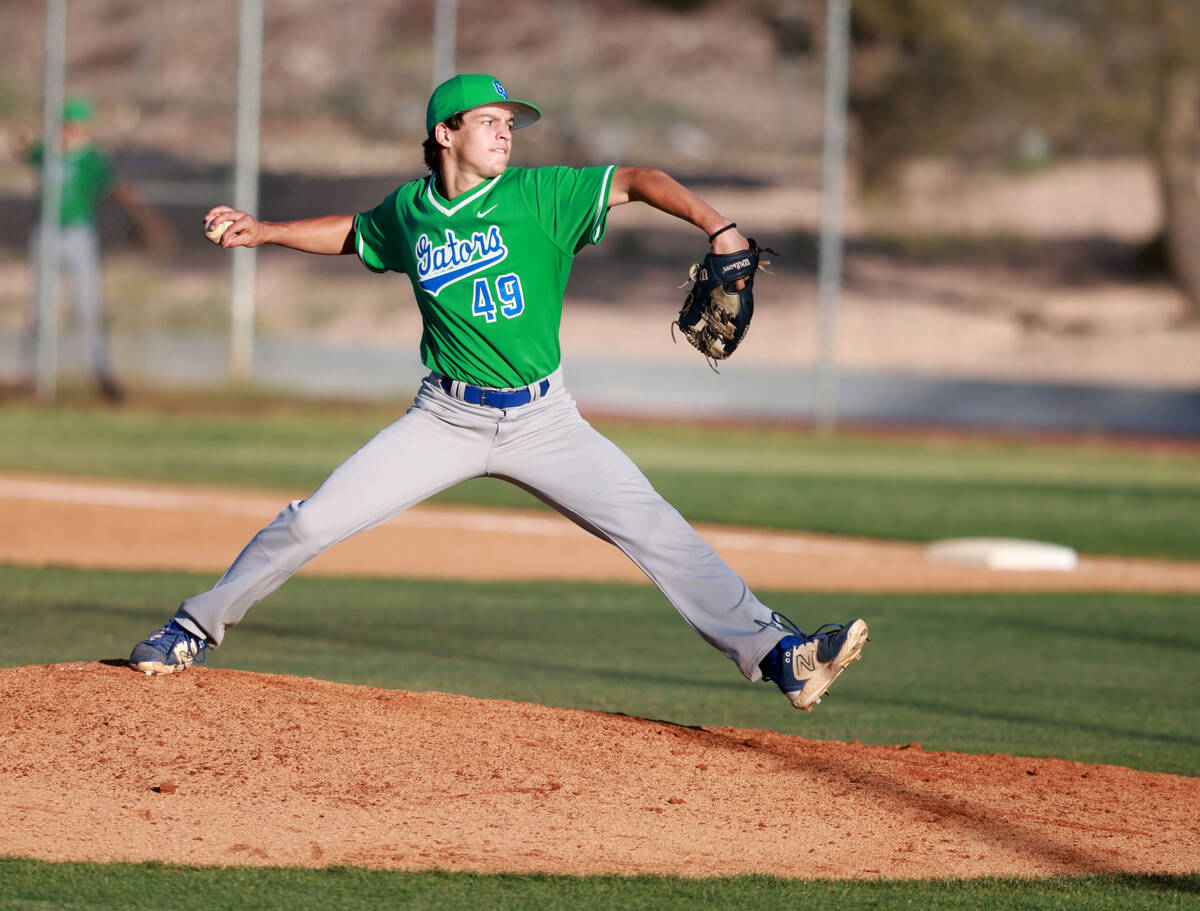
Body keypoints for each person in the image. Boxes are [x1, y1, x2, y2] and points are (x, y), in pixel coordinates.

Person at [128, 74, 868, 711]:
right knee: (312, 521)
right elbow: (355, 233)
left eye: (510, 124)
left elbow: (638, 180)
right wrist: (263, 231)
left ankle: (782, 657)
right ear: (444, 133)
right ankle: (192, 626)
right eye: (489, 122)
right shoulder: (412, 211)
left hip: (547, 420)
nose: (505, 134)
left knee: (659, 530)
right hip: (443, 417)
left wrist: (719, 225)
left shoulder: (543, 194)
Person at [25, 97, 173, 401]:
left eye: (78, 127)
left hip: (78, 233)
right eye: (69, 126)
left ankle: (102, 374)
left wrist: (148, 220)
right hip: (46, 232)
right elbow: (25, 152)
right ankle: (38, 378)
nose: (74, 132)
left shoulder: (91, 159)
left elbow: (117, 188)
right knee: (41, 307)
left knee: (87, 307)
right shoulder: (46, 152)